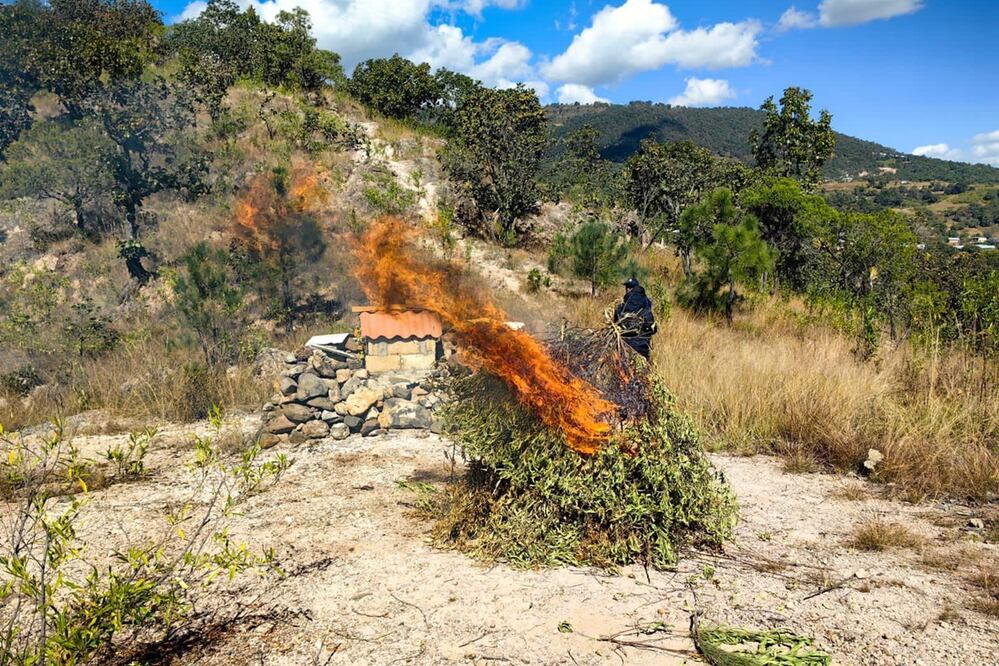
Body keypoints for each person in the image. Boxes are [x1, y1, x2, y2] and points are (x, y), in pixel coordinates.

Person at [613, 277, 656, 359]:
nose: (627, 289)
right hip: (643, 347)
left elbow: (615, 324)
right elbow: (653, 329)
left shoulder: (622, 306)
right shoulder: (646, 304)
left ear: (629, 289)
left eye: (628, 287)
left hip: (625, 347)